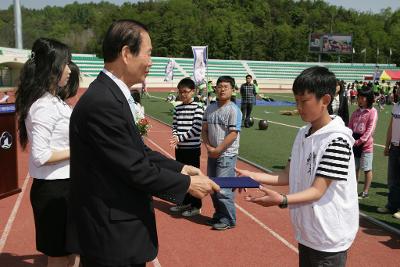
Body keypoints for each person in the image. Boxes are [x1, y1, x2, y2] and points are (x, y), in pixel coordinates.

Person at [66, 19, 219, 267]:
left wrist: (179, 168)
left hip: (117, 229)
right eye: (148, 53)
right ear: (127, 53)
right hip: (110, 235)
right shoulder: (103, 102)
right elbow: (133, 167)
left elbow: (137, 151)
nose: (151, 61)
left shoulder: (112, 95)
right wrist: (187, 184)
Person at [236, 66, 358, 267]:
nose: (299, 107)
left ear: (325, 100)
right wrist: (252, 176)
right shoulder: (303, 133)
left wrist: (282, 200)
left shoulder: (337, 140)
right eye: (296, 101)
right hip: (307, 232)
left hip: (328, 238)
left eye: (304, 101)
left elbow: (318, 190)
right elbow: (287, 175)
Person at [15, 38, 78, 267]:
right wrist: (79, 149)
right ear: (52, 68)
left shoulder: (55, 101)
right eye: (66, 63)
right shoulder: (43, 105)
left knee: (72, 252)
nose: (70, 70)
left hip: (66, 186)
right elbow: (40, 156)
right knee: (59, 256)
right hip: (54, 190)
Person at [202, 75, 242, 230]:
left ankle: (229, 219)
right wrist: (208, 147)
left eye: (226, 87)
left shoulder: (233, 110)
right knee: (213, 188)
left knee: (223, 190)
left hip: (226, 155)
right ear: (215, 88)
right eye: (219, 86)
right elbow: (204, 129)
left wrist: (218, 150)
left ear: (232, 90)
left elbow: (233, 134)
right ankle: (219, 215)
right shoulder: (210, 108)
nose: (222, 89)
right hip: (212, 154)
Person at [169, 78, 204, 217]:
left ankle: (196, 205)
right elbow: (175, 126)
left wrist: (179, 138)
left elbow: (196, 129)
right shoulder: (177, 108)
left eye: (185, 91)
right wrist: (175, 137)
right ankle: (184, 202)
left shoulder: (198, 107)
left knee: (194, 178)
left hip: (192, 149)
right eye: (180, 92)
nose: (183, 94)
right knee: (182, 177)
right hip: (180, 149)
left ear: (193, 91)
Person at [348, 85, 378, 199]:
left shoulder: (372, 112)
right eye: (359, 97)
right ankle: (353, 189)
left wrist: (360, 141)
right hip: (354, 142)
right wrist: (350, 138)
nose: (360, 99)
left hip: (365, 145)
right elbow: (350, 126)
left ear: (369, 98)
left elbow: (370, 129)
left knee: (366, 168)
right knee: (355, 167)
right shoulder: (355, 112)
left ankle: (365, 191)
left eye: (362, 97)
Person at [377, 88, 400, 219]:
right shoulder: (396, 106)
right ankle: (391, 205)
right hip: (394, 147)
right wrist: (387, 145)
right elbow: (391, 126)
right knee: (392, 179)